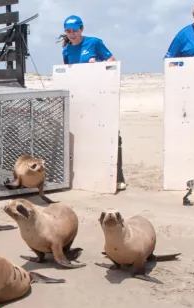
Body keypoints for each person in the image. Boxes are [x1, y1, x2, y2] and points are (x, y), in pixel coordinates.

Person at [59, 15, 126, 191]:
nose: (71, 34)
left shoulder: (94, 43)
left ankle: (117, 176)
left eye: (74, 30)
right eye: (68, 31)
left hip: (100, 96)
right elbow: (69, 74)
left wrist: (97, 65)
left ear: (82, 29)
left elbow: (112, 62)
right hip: (81, 99)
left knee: (111, 135)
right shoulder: (66, 50)